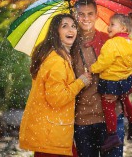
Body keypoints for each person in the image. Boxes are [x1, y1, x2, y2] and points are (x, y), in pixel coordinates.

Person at [19, 13, 92, 156]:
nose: (71, 30)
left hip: (53, 133)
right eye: (64, 26)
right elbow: (57, 99)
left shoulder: (60, 56)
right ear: (56, 32)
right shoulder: (57, 61)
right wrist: (81, 82)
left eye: (73, 26)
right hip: (51, 136)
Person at [71, 0, 125, 157]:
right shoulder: (69, 44)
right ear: (75, 15)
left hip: (111, 118)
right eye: (81, 14)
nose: (86, 18)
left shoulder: (111, 41)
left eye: (90, 14)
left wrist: (118, 91)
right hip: (82, 120)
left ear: (96, 15)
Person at [89, 13, 132, 151]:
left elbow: (104, 62)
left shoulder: (111, 43)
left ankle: (112, 135)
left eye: (112, 24)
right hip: (125, 80)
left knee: (108, 107)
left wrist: (92, 69)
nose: (108, 27)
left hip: (111, 81)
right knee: (126, 100)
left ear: (123, 28)